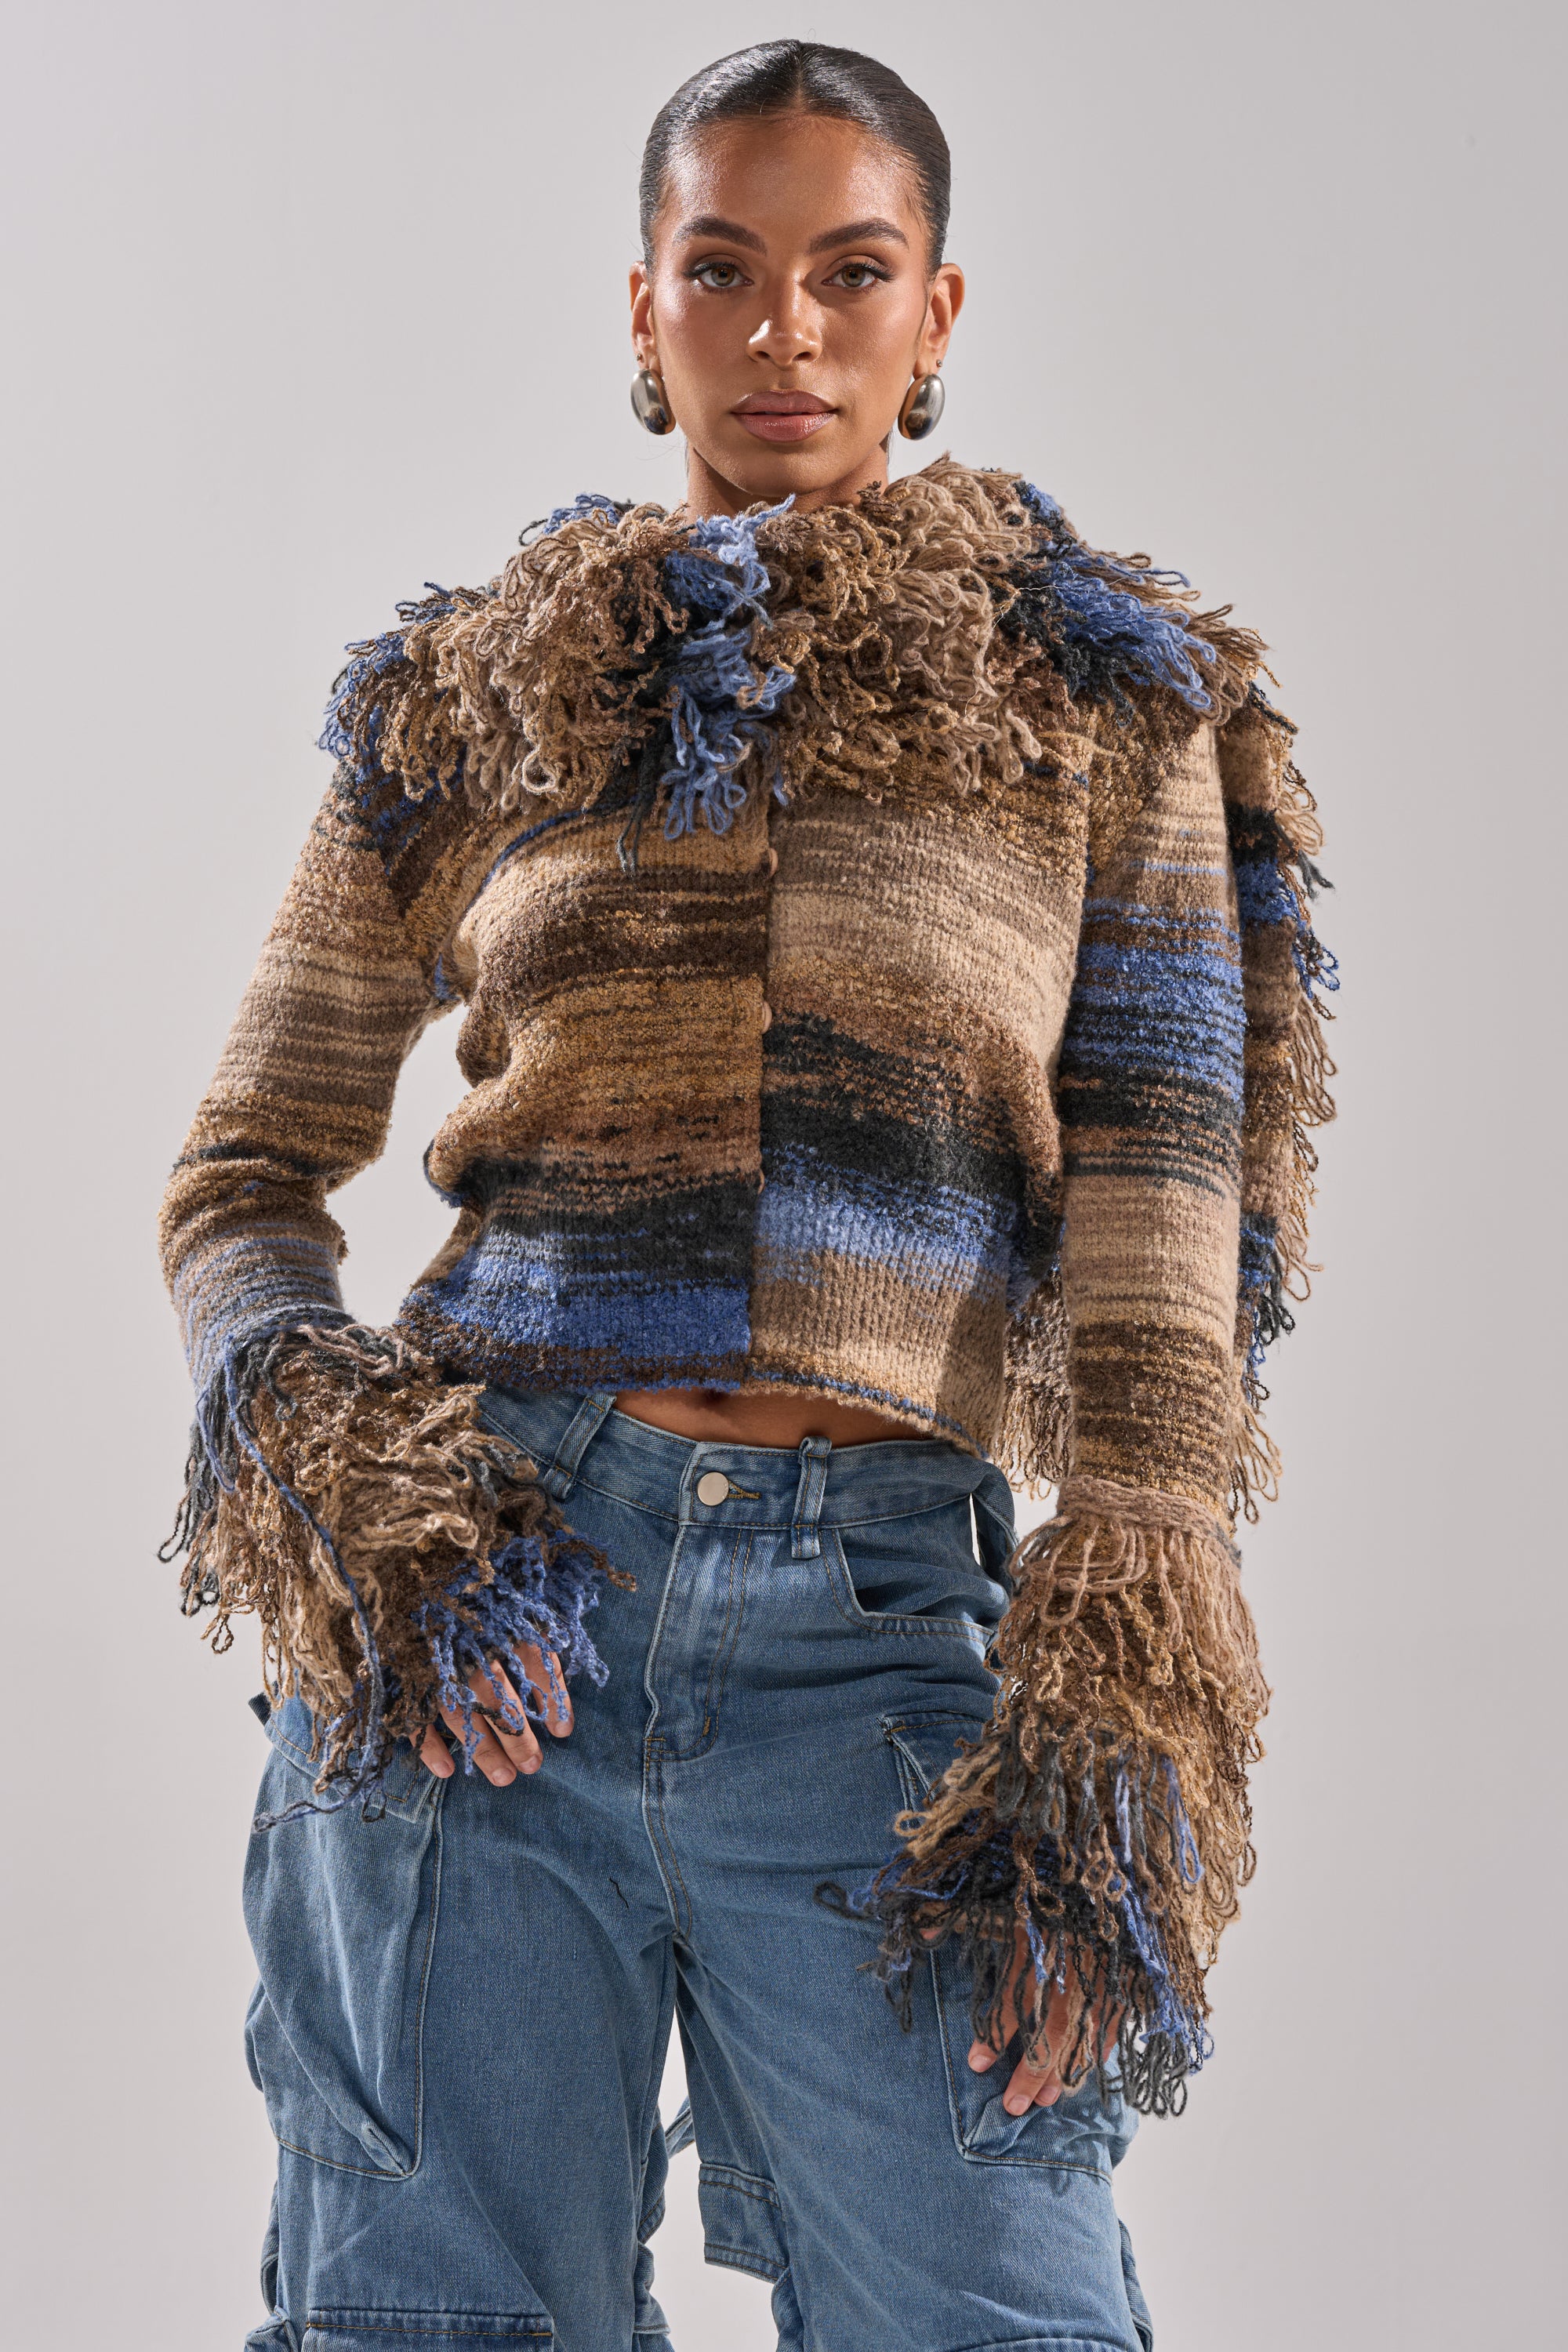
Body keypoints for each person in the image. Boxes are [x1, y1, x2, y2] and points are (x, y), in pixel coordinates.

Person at [158, 39, 1334, 2352]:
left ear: (938, 308)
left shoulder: (1105, 703)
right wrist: (345, 1484)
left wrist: (1122, 1676)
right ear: (642, 308)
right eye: (725, 269)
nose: (783, 329)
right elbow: (243, 1172)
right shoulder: (470, 696)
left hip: (883, 1645)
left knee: (999, 2308)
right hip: (493, 1624)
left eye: (847, 271)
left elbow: (1164, 1208)